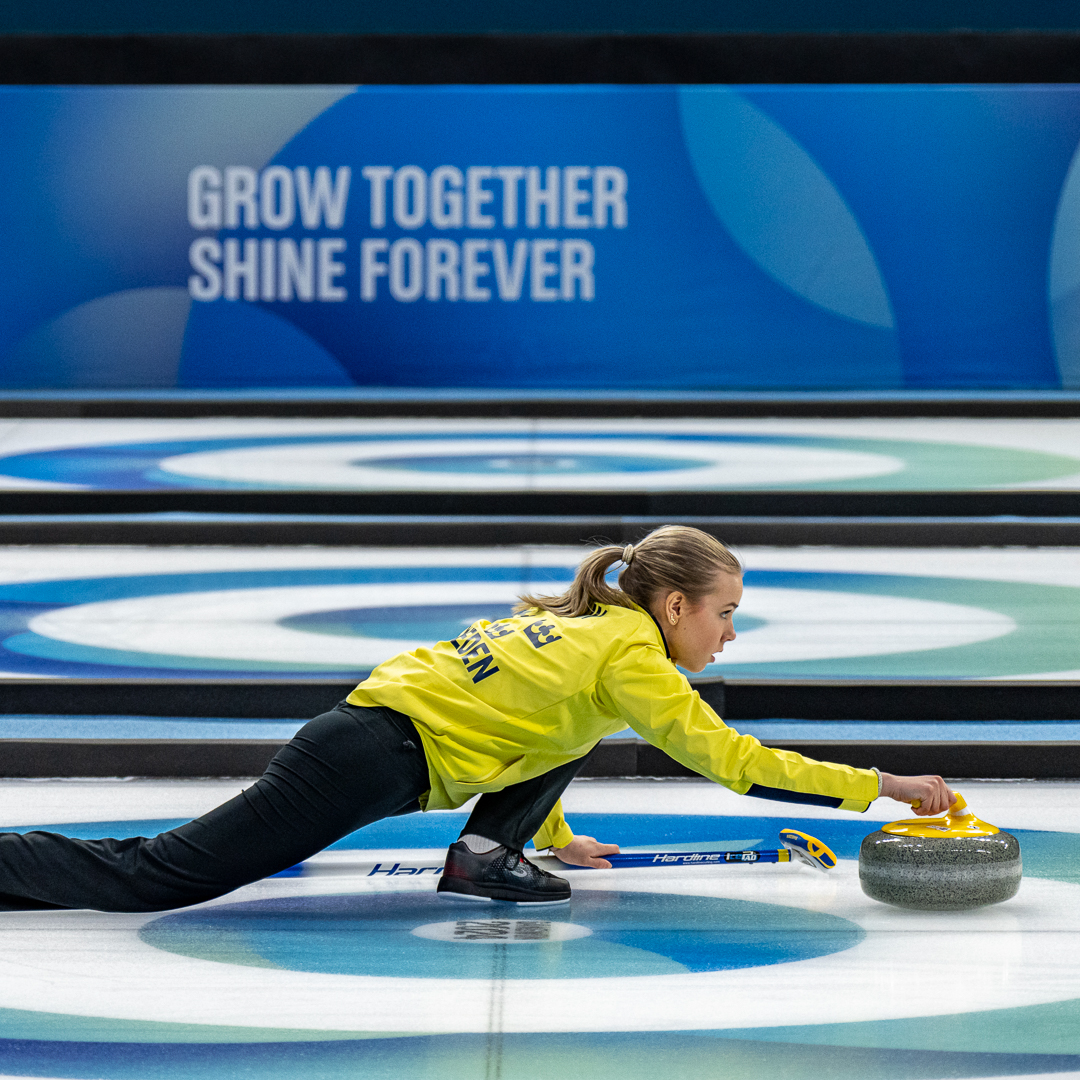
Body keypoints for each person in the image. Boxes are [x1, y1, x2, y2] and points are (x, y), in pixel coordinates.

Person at [0, 526, 953, 912]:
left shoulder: (590, 629)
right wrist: (885, 788)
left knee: (575, 728)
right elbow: (734, 762)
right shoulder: (630, 654)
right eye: (725, 613)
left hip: (368, 735)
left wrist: (558, 837)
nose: (731, 633)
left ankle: (485, 854)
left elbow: (538, 731)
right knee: (161, 874)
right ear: (675, 610)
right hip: (364, 757)